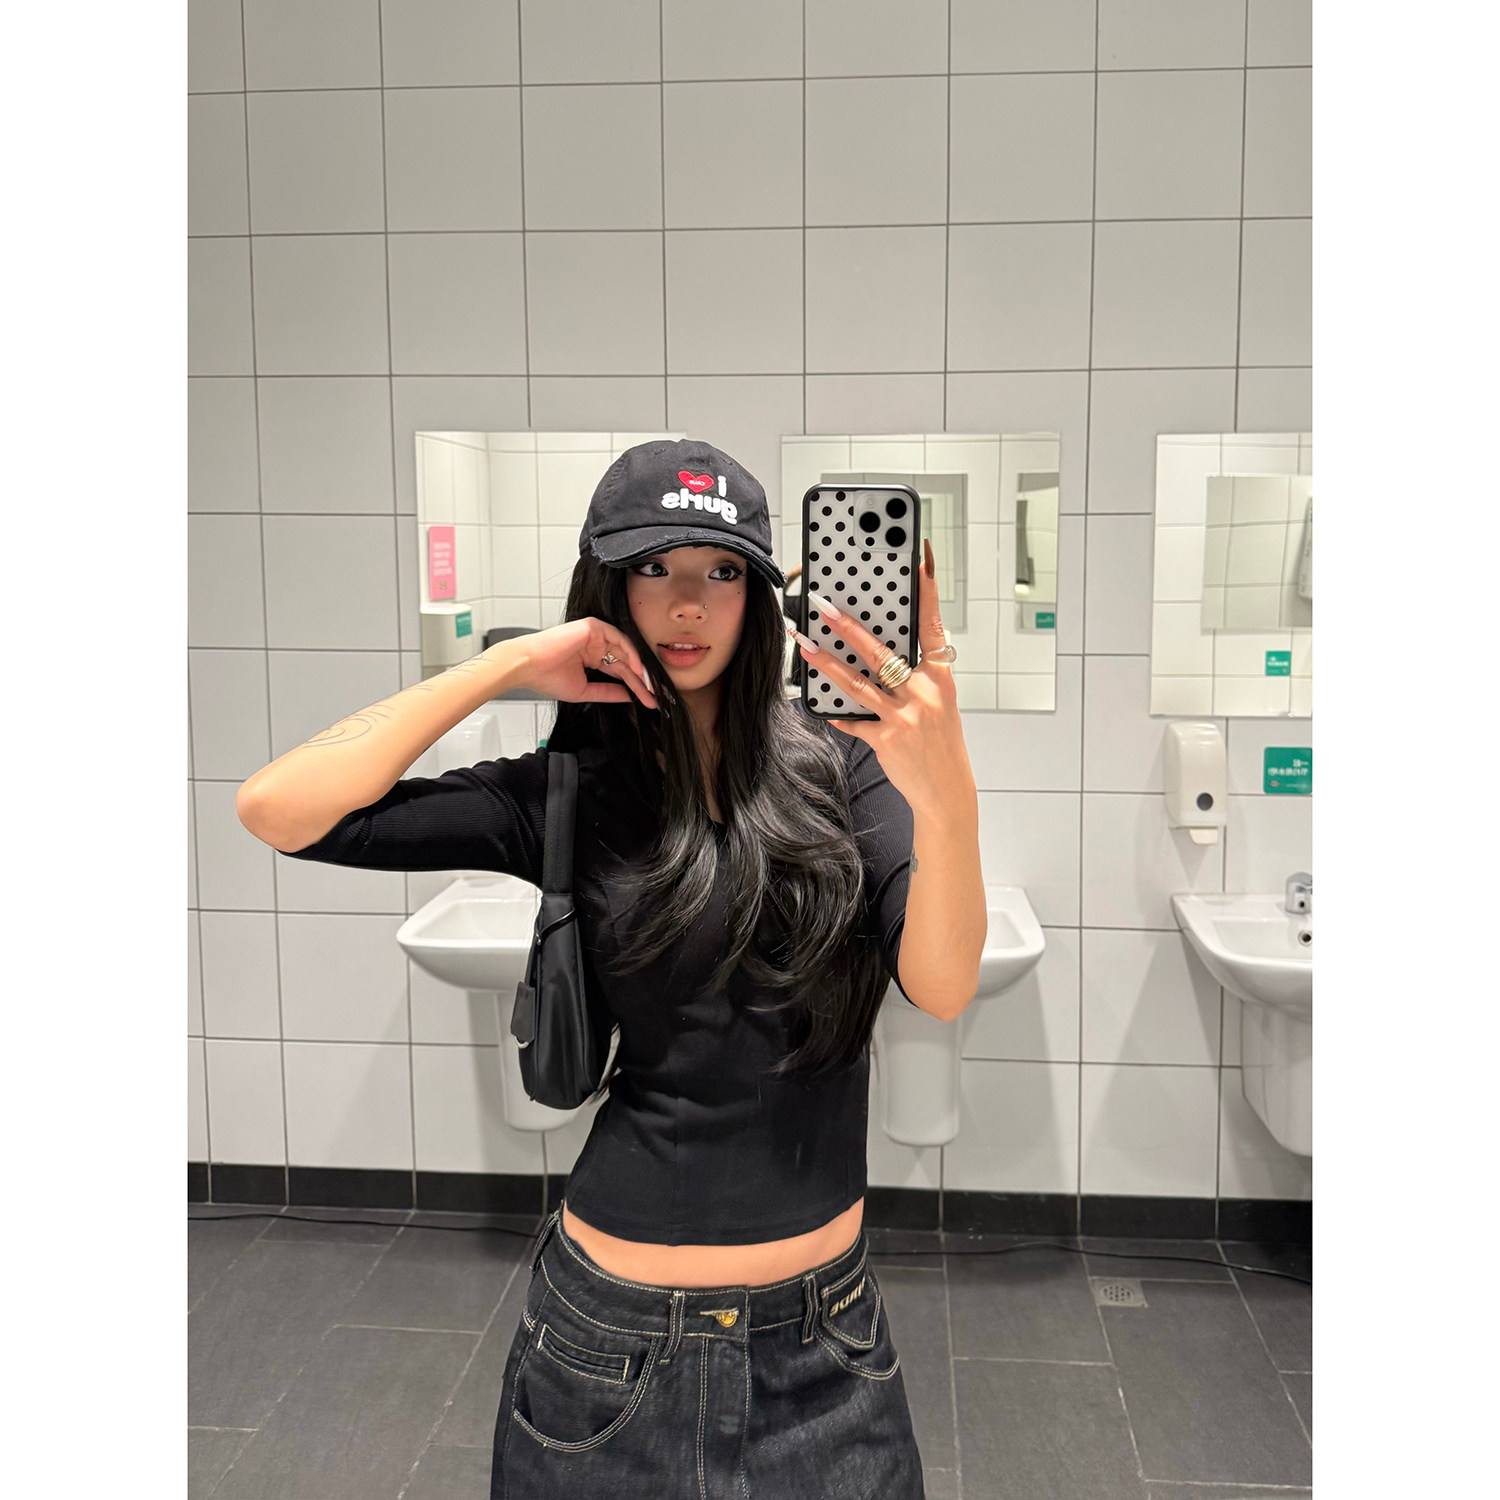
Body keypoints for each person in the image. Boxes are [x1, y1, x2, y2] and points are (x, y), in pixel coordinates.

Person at [235, 438, 986, 1498]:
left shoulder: (844, 769)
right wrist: (503, 667)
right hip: (612, 1346)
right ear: (607, 588)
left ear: (760, 594)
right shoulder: (569, 787)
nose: (687, 604)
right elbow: (278, 809)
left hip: (830, 1346)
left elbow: (941, 985)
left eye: (721, 571)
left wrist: (948, 794)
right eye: (652, 568)